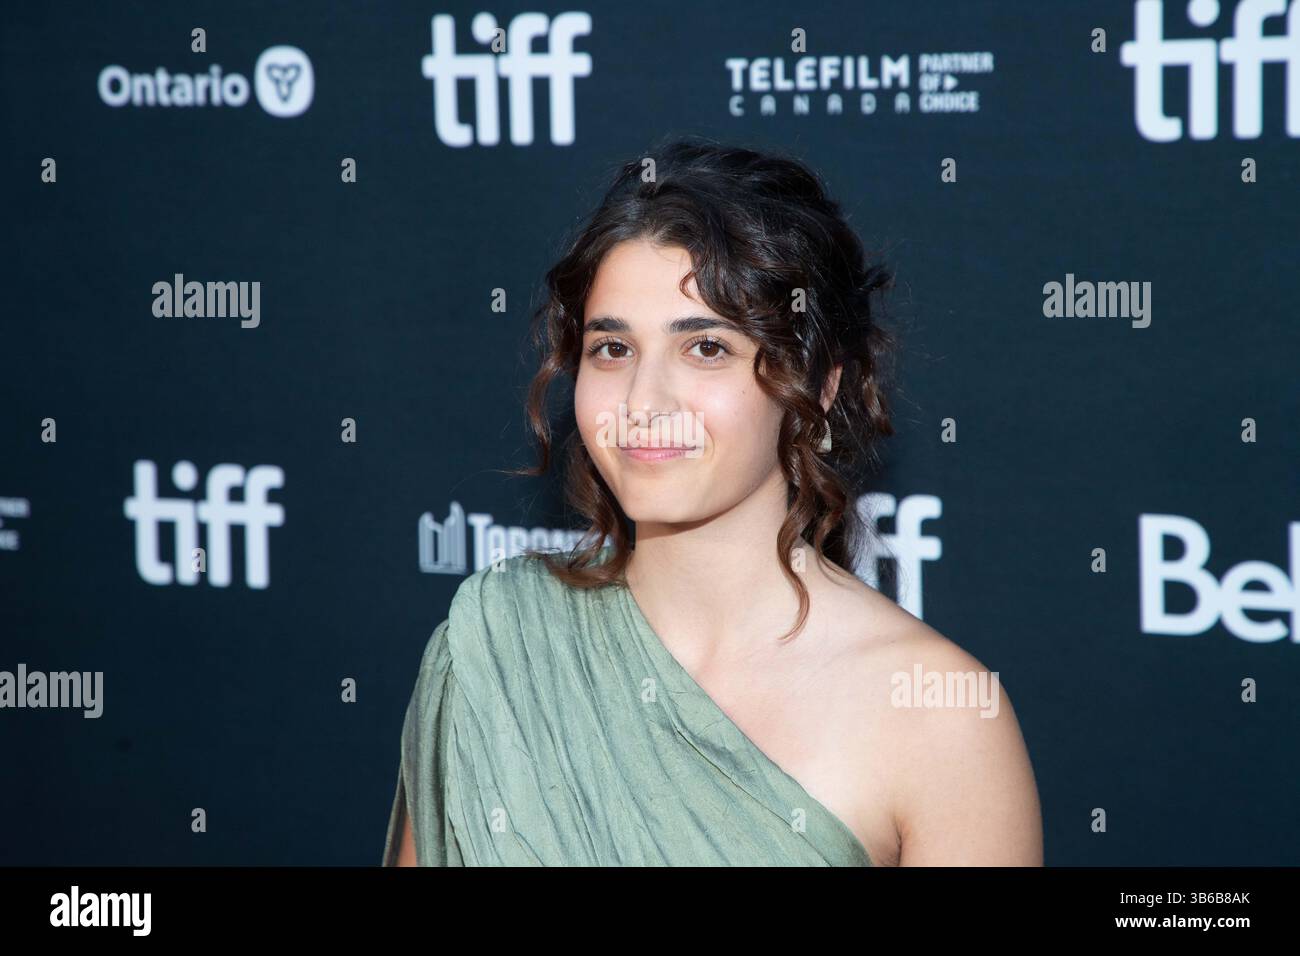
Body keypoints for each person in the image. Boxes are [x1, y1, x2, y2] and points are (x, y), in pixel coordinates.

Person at [382, 137, 1043, 866]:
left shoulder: (940, 715)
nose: (643, 401)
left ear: (819, 385)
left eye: (706, 349)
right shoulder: (498, 647)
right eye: (612, 349)